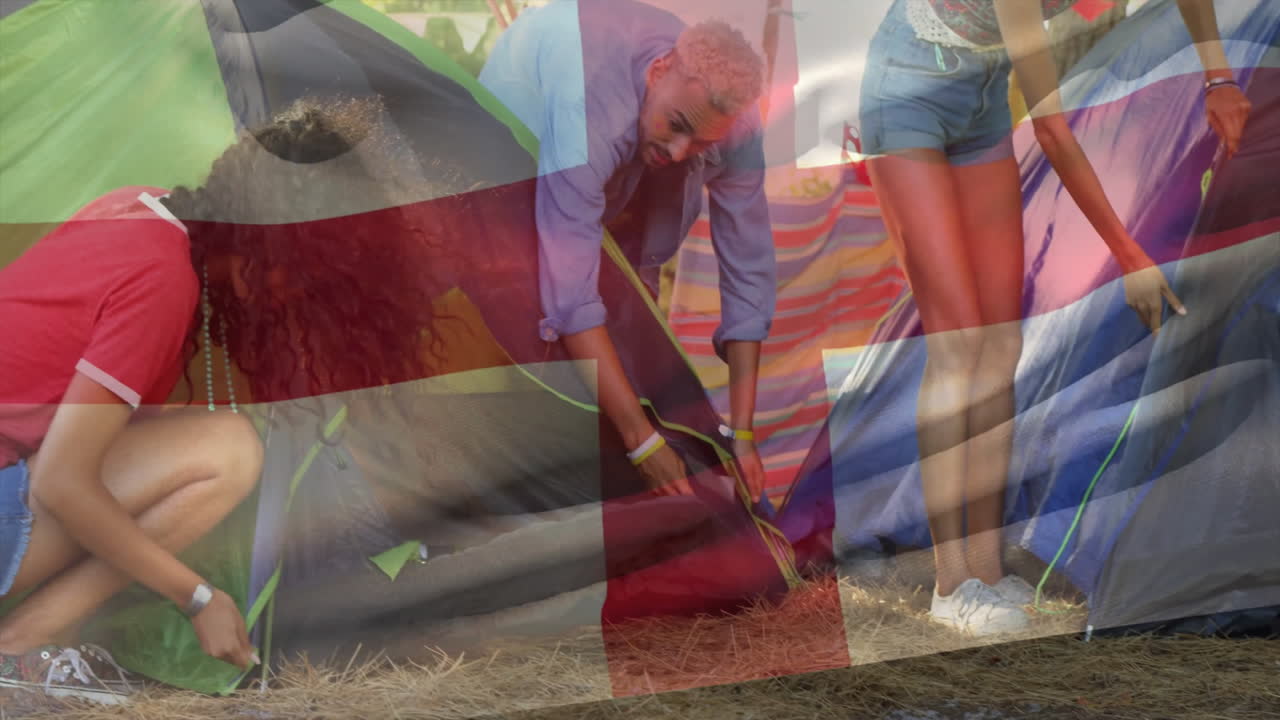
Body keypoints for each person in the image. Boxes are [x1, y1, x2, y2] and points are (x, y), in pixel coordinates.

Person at [0, 96, 448, 702]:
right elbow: (60, 482)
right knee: (226, 451)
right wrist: (198, 597)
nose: (288, 301)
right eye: (298, 279)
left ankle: (22, 643)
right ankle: (19, 646)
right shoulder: (161, 277)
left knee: (213, 439)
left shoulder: (140, 208)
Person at [857, 0, 1251, 634]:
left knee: (1002, 347)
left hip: (979, 95)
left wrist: (1219, 75)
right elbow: (1052, 130)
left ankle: (985, 569)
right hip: (906, 92)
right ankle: (950, 583)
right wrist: (1128, 257)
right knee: (960, 345)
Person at [477, 0, 777, 501]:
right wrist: (640, 442)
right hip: (507, 146)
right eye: (678, 124)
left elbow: (748, 268)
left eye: (701, 142)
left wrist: (741, 433)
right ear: (660, 71)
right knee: (532, 310)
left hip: (620, 129)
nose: (681, 151)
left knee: (633, 305)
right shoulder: (590, 106)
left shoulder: (734, 122)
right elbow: (570, 292)